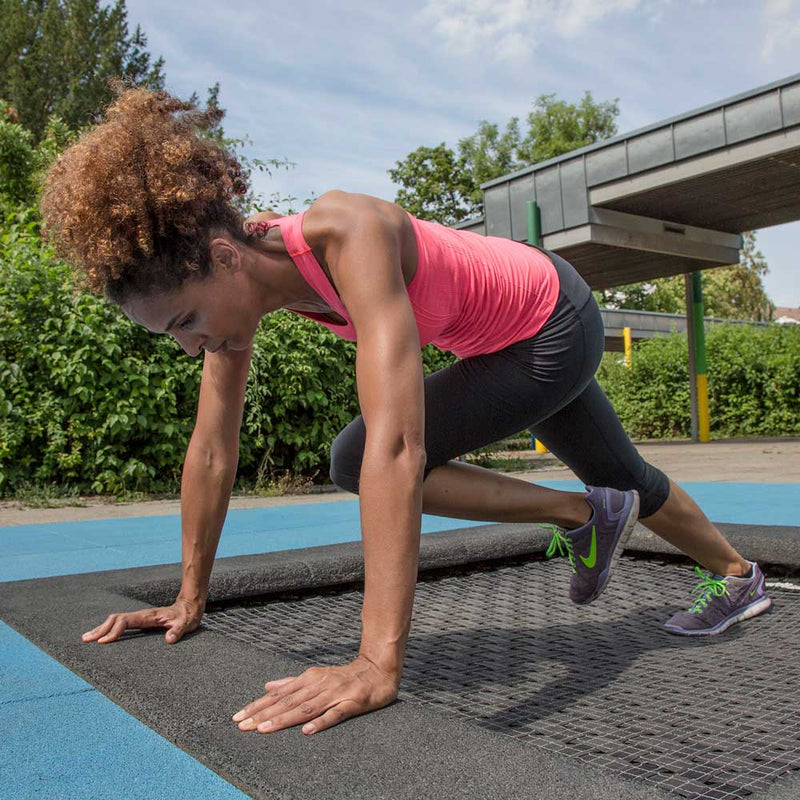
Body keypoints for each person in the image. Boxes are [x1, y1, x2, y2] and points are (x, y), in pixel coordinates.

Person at [41, 85, 771, 738]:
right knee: (625, 476)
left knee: (357, 457)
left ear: (226, 257)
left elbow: (398, 447)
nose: (190, 344)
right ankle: (738, 578)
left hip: (549, 325)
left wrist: (373, 663)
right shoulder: (233, 304)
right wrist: (187, 598)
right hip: (515, 333)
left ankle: (582, 517)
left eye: (185, 322)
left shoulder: (345, 231)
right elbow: (209, 451)